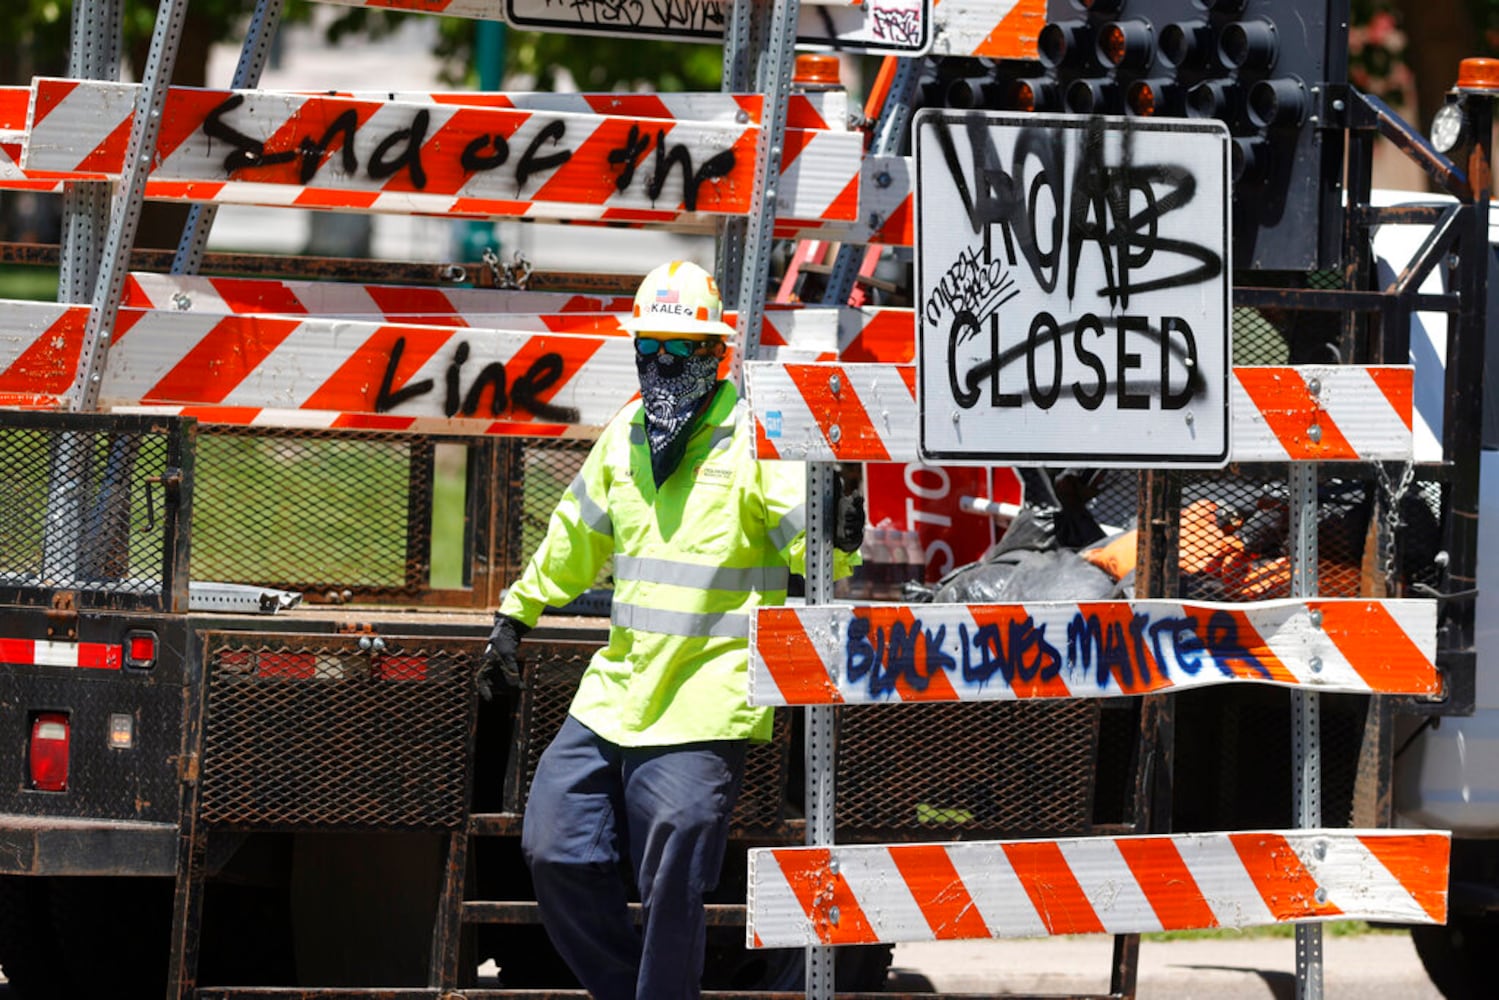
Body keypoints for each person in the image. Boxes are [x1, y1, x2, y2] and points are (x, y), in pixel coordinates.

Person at [484, 260, 864, 999]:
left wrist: (842, 527)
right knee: (555, 850)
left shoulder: (753, 438)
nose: (660, 364)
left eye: (677, 349)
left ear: (714, 354)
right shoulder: (628, 432)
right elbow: (575, 537)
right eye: (648, 348)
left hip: (706, 699)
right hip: (615, 696)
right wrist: (515, 612)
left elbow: (819, 550)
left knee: (671, 885)